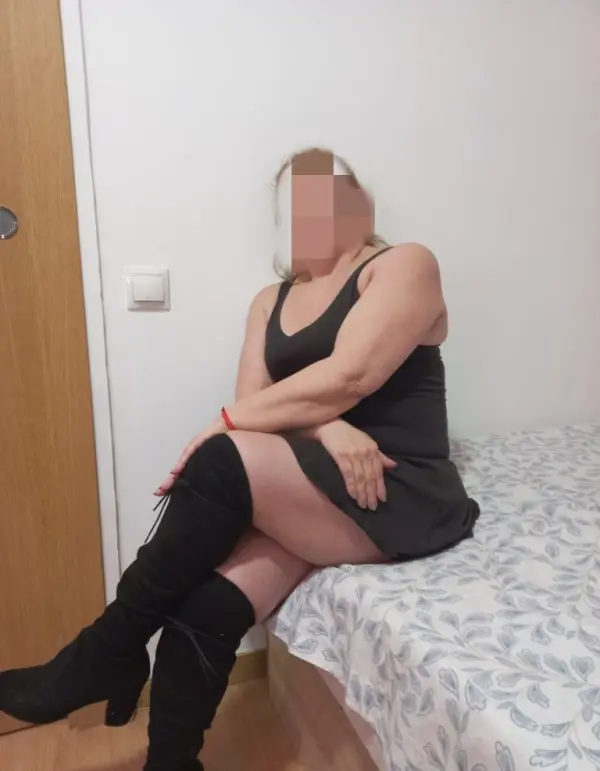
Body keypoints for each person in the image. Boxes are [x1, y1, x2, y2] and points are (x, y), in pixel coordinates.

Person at [0, 147, 479, 771]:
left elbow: (352, 374)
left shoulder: (403, 265)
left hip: (394, 486)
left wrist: (248, 423)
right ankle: (169, 759)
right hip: (317, 481)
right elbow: (252, 404)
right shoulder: (270, 300)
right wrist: (328, 428)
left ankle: (106, 650)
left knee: (224, 458)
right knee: (207, 601)